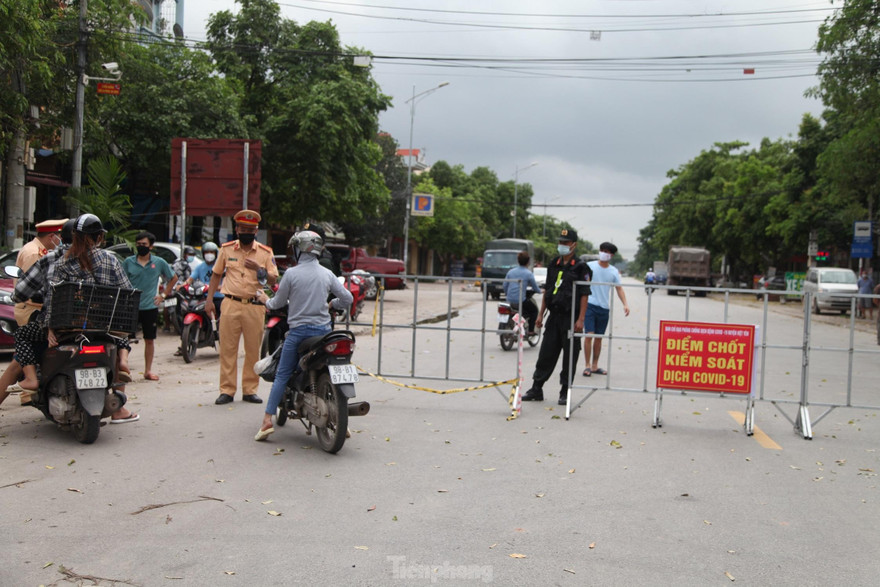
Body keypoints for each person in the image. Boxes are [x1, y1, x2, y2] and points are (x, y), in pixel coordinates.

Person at [11, 214, 137, 423]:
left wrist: (50, 327)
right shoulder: (110, 260)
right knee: (119, 337)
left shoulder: (59, 262)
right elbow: (127, 293)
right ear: (99, 237)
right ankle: (122, 368)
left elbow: (53, 298)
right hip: (100, 326)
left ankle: (31, 378)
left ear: (70, 236)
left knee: (22, 334)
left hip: (65, 328)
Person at [253, 229, 352, 441]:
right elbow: (348, 299)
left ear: (300, 249)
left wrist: (265, 300)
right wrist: (332, 304)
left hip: (298, 333)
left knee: (282, 374)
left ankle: (267, 421)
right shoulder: (327, 274)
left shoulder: (291, 274)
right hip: (324, 334)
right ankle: (341, 418)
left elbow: (277, 303)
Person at [206, 210, 278, 405]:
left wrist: (259, 269)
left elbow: (273, 279)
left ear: (256, 231)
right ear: (237, 230)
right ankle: (227, 390)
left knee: (253, 350)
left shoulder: (265, 252)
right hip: (230, 304)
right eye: (243, 229)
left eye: (250, 230)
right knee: (227, 350)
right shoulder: (226, 249)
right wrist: (209, 300)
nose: (247, 232)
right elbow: (216, 274)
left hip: (254, 306)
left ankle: (250, 390)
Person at [1, 219, 75, 407]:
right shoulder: (35, 253)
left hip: (49, 315)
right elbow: (33, 289)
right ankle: (28, 390)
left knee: (22, 357)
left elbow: (30, 287)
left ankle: (29, 388)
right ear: (52, 236)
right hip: (35, 311)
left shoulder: (46, 255)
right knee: (21, 359)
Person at [522, 229, 592, 406]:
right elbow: (548, 290)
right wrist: (540, 314)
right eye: (560, 242)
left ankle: (565, 392)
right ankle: (536, 388)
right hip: (554, 316)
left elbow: (584, 295)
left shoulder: (581, 267)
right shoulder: (554, 263)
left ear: (574, 245)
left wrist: (581, 319)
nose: (562, 245)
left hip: (571, 317)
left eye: (566, 242)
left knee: (570, 356)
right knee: (546, 353)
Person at [123, 231, 177, 381]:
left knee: (149, 339)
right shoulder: (128, 262)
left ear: (151, 246)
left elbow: (173, 278)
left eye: (144, 244)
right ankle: (123, 368)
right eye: (139, 244)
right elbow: (121, 280)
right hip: (131, 307)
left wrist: (163, 295)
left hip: (150, 307)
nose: (141, 246)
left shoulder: (159, 262)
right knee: (125, 339)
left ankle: (147, 371)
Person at [582, 242, 630, 377]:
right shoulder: (589, 266)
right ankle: (587, 366)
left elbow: (619, 288)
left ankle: (595, 365)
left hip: (603, 308)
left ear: (611, 255)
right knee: (589, 335)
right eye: (602, 250)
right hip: (590, 305)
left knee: (598, 338)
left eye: (607, 252)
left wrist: (625, 304)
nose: (604, 253)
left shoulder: (613, 271)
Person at [14, 218, 67, 326]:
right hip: (31, 310)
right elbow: (31, 286)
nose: (61, 241)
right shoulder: (34, 253)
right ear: (51, 237)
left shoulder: (37, 249)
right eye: (60, 237)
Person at [502, 251, 540, 334]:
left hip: (509, 300)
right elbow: (535, 288)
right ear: (528, 262)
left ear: (518, 261)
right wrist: (541, 291)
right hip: (520, 301)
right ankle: (530, 330)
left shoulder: (510, 272)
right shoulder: (528, 273)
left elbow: (504, 285)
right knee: (534, 311)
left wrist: (508, 295)